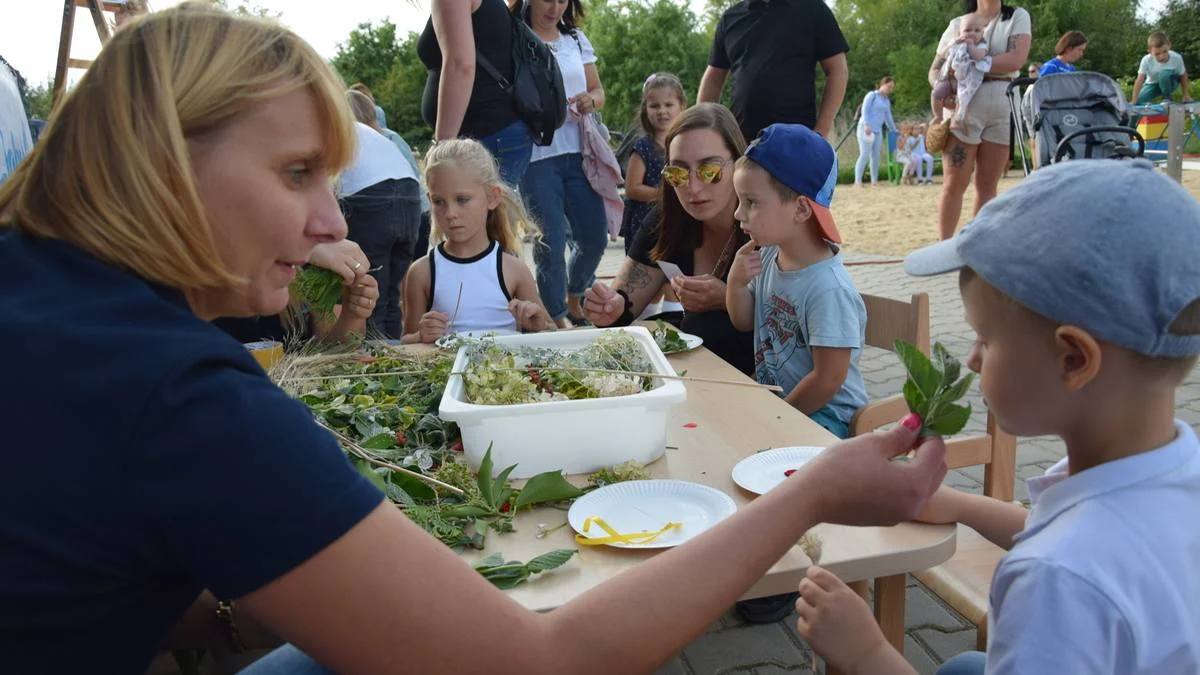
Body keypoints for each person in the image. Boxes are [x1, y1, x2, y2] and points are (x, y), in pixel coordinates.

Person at [0, 13, 951, 671]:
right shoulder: (179, 392)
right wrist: (819, 488)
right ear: (162, 165)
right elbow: (542, 659)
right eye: (296, 173)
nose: (331, 217)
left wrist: (227, 599)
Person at [794, 159, 1200, 675]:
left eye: (985, 338)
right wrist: (958, 504)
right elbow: (1075, 528)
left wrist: (867, 652)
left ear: (1073, 359)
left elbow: (1069, 552)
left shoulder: (1056, 580)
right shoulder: (1169, 467)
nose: (972, 360)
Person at [582, 103, 756, 375]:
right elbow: (624, 303)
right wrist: (607, 308)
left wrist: (729, 299)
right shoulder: (667, 220)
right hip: (697, 379)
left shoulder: (769, 221)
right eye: (678, 173)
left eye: (709, 170)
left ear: (738, 163)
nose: (693, 187)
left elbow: (809, 321)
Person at [727, 124, 868, 440]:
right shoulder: (767, 256)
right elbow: (744, 321)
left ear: (802, 208)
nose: (738, 213)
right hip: (782, 403)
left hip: (829, 419)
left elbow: (828, 379)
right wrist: (736, 285)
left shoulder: (828, 288)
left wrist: (779, 419)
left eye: (751, 201)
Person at [515, 0, 612, 329]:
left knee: (595, 237)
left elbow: (599, 91)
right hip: (536, 157)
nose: (555, 7)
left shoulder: (575, 38)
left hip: (580, 154)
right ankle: (556, 317)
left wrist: (591, 100)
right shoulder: (515, 35)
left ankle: (576, 292)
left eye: (563, 0)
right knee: (551, 243)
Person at [401, 139, 551, 343]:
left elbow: (550, 332)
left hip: (505, 373)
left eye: (462, 200)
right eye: (439, 202)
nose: (450, 213)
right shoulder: (422, 272)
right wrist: (421, 336)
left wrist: (537, 324)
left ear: (492, 197)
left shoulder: (513, 269)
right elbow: (406, 343)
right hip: (448, 374)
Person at [929, 0, 1031, 241]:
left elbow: (1016, 60)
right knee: (954, 182)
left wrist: (973, 64)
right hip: (964, 108)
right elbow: (935, 69)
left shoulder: (1016, 16)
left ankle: (977, 247)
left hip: (1004, 103)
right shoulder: (957, 24)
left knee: (988, 185)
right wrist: (944, 87)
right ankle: (944, 247)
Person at [698, 0, 849, 142]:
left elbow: (838, 70)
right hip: (742, 142)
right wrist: (703, 130)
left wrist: (821, 131)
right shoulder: (730, 18)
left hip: (797, 141)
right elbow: (713, 79)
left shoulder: (812, 8)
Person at [417, 0, 532, 186]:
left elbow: (460, 65)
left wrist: (443, 147)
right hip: (496, 131)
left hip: (486, 134)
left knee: (486, 213)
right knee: (497, 211)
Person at [339, 121, 422, 339]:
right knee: (390, 297)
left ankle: (370, 362)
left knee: (365, 294)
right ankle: (391, 357)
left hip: (367, 195)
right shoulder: (359, 129)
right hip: (410, 194)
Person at [346, 90, 434, 294]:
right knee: (394, 289)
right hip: (414, 212)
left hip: (399, 212)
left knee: (376, 286)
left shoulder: (361, 138)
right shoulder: (389, 139)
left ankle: (381, 324)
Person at [213, 239, 380, 346]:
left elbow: (336, 348)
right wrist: (304, 246)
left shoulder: (320, 264)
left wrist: (352, 314)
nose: (339, 227)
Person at [623, 73, 685, 254]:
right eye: (654, 106)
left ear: (682, 107)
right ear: (645, 109)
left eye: (668, 105)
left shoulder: (687, 145)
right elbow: (632, 188)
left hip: (676, 220)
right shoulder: (643, 147)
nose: (662, 111)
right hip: (647, 223)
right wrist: (663, 195)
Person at [929, 14, 992, 139]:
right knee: (936, 93)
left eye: (976, 30)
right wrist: (952, 43)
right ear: (959, 32)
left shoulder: (982, 45)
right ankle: (937, 115)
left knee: (962, 98)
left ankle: (958, 119)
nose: (972, 33)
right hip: (948, 77)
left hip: (965, 80)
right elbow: (942, 54)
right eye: (967, 30)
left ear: (982, 33)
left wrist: (970, 46)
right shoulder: (956, 42)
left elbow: (978, 56)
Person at [855, 77, 898, 187]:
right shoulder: (872, 96)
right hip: (866, 129)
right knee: (864, 154)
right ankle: (858, 181)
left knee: (875, 156)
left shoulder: (886, 101)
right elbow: (865, 111)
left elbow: (888, 116)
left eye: (892, 88)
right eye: (889, 86)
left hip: (878, 131)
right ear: (882, 84)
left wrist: (894, 130)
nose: (890, 89)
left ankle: (874, 181)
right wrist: (866, 124)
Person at [1132, 31, 1192, 105]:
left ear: (1169, 46)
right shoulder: (1146, 60)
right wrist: (1134, 100)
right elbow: (1139, 80)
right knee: (1138, 101)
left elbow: (1183, 75)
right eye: (1157, 54)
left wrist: (1185, 94)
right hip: (1153, 84)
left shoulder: (1176, 58)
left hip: (1170, 82)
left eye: (1165, 51)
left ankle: (1167, 97)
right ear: (1150, 52)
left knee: (1164, 74)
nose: (1162, 57)